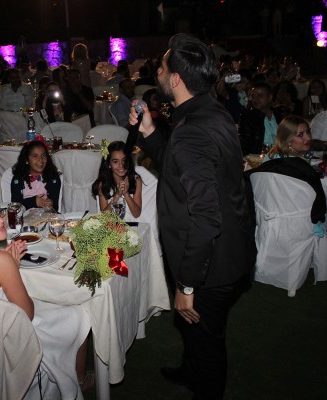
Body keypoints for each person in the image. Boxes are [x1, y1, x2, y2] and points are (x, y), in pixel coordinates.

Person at [130, 33, 255, 400]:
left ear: (176, 79)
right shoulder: (207, 110)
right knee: (193, 333)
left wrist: (186, 285)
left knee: (207, 343)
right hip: (220, 253)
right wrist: (149, 131)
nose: (157, 71)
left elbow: (205, 218)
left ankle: (204, 384)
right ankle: (190, 369)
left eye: (161, 67)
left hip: (209, 265)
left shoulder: (193, 130)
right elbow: (180, 164)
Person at [0, 190, 91, 397]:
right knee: (79, 314)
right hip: (8, 338)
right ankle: (77, 380)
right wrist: (11, 267)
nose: (0, 220)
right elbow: (27, 314)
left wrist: (7, 267)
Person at [92, 140, 142, 218]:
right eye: (115, 162)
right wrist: (117, 195)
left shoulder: (136, 180)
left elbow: (137, 214)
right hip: (111, 224)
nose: (121, 165)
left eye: (124, 161)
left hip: (133, 223)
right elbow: (105, 217)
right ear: (109, 164)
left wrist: (126, 193)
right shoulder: (103, 184)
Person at [237, 82, 286, 155]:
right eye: (253, 96)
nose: (255, 99)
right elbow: (244, 144)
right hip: (258, 157)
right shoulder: (248, 117)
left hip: (280, 155)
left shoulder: (279, 114)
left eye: (260, 96)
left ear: (270, 97)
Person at [11, 140, 61, 211]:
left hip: (46, 216)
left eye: (43, 155)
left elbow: (55, 207)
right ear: (26, 160)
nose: (41, 160)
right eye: (35, 156)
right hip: (24, 217)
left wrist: (51, 204)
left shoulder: (53, 178)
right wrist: (34, 202)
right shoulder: (18, 179)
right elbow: (15, 207)